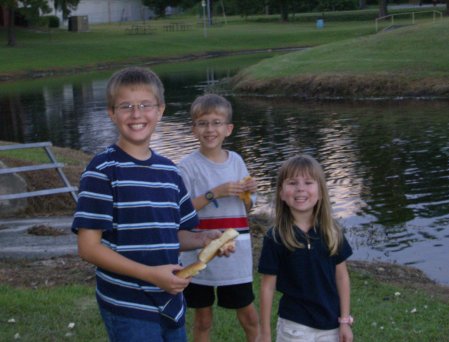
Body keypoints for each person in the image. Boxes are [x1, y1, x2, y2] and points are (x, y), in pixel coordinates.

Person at [71, 67, 231, 342]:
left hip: (171, 300)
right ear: (111, 113)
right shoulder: (103, 170)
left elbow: (174, 235)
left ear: (160, 110)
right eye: (126, 106)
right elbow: (88, 247)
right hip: (127, 303)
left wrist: (205, 239)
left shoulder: (170, 173)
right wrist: (150, 275)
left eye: (146, 105)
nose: (136, 114)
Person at [178, 93, 260, 342]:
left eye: (216, 123)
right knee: (202, 319)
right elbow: (181, 212)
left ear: (228, 129)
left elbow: (248, 208)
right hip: (199, 252)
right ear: (193, 129)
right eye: (203, 123)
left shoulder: (236, 161)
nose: (210, 129)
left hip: (237, 252)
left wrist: (248, 194)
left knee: (249, 316)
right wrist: (216, 193)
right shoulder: (187, 167)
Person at [257, 155, 353, 342]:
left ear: (321, 192)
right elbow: (267, 287)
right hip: (294, 326)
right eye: (292, 183)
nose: (300, 188)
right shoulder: (275, 237)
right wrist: (265, 332)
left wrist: (344, 321)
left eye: (308, 182)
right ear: (281, 193)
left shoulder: (332, 232)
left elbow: (342, 277)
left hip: (331, 324)